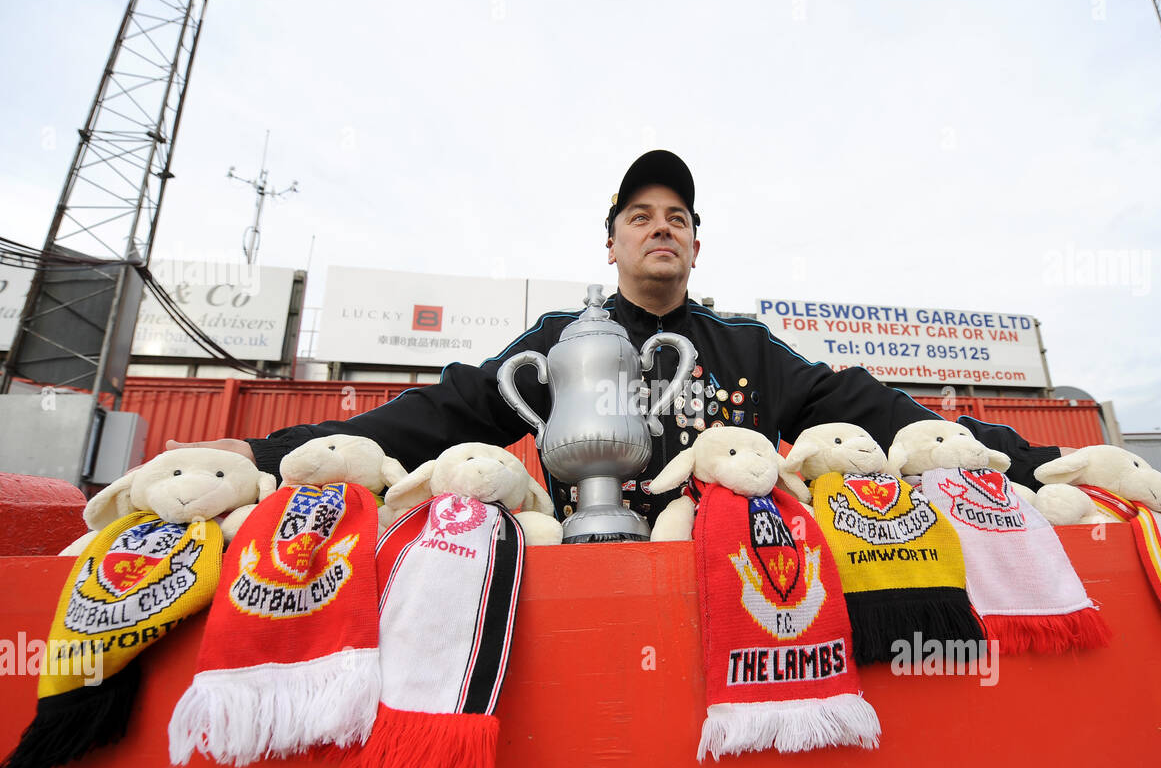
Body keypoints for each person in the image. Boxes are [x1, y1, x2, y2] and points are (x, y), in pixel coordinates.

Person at [170, 150, 1065, 526]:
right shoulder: (562, 340)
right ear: (612, 242)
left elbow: (866, 408)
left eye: (677, 217)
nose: (660, 229)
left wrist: (1032, 463)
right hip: (583, 583)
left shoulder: (747, 348)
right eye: (640, 217)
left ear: (698, 242)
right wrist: (253, 453)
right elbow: (443, 414)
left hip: (738, 591)